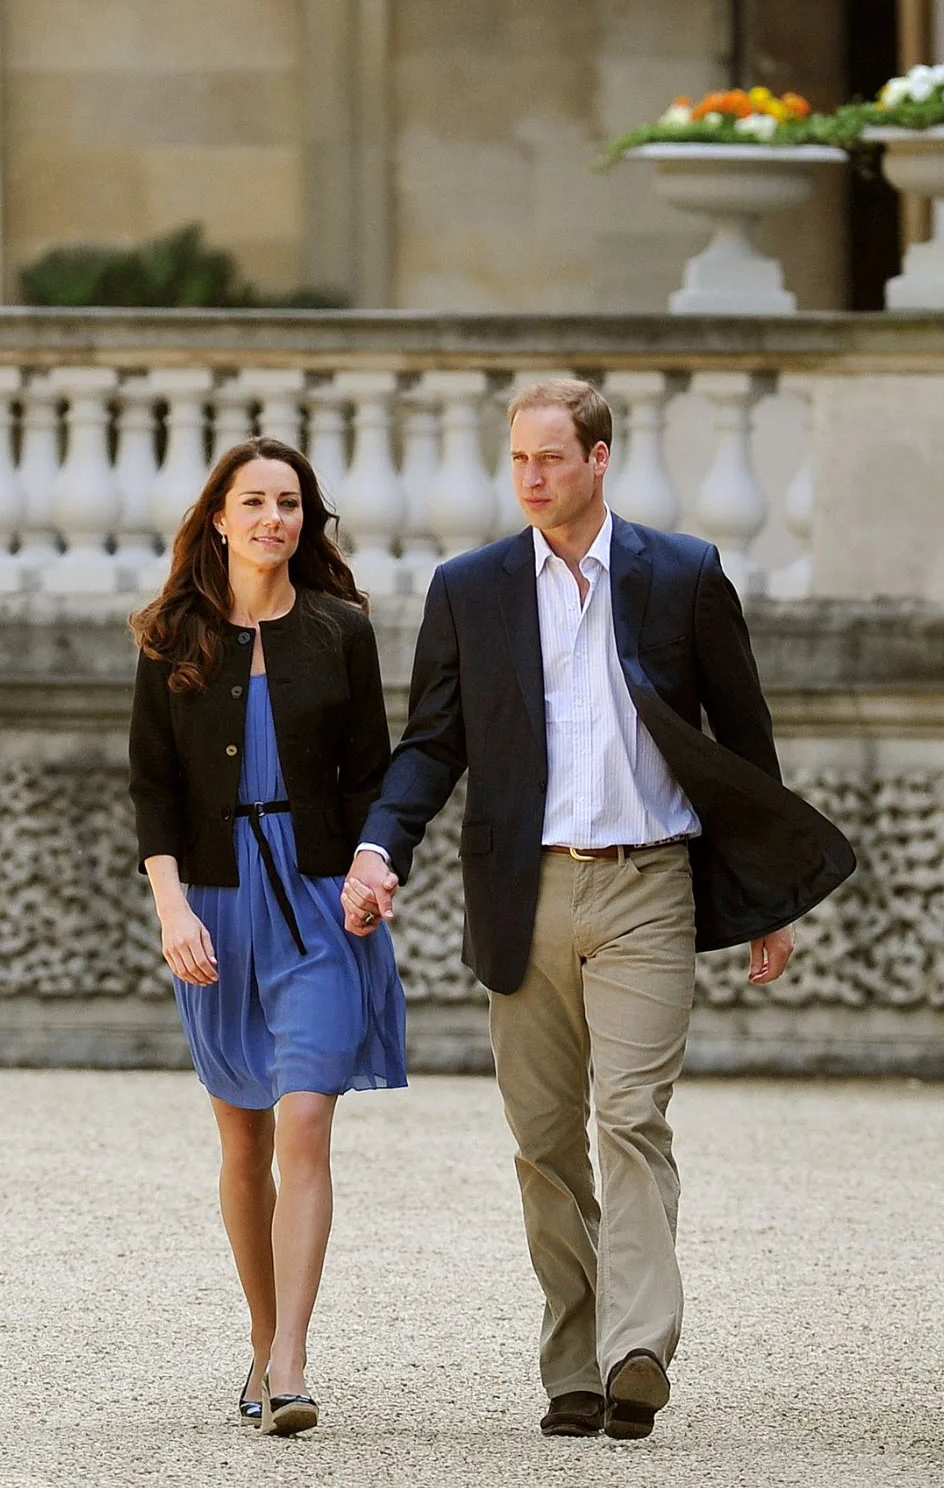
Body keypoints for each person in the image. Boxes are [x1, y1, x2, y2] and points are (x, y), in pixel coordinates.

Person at [341, 380, 854, 1442]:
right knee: (541, 1143)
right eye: (518, 460)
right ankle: (572, 1361)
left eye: (550, 460)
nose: (530, 478)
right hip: (522, 888)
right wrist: (378, 846)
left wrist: (770, 895)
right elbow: (433, 742)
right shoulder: (470, 588)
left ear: (599, 459)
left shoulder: (682, 575)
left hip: (647, 885)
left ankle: (635, 1349)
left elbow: (742, 743)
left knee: (629, 1114)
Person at [128, 437, 406, 1438]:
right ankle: (260, 1334)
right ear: (219, 518)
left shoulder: (340, 630)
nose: (273, 519)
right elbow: (152, 791)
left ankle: (291, 1359)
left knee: (305, 1122)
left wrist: (379, 865)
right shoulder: (171, 634)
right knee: (243, 1139)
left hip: (323, 902)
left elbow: (376, 776)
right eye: (254, 502)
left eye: (290, 503)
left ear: (306, 520)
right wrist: (173, 912)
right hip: (215, 906)